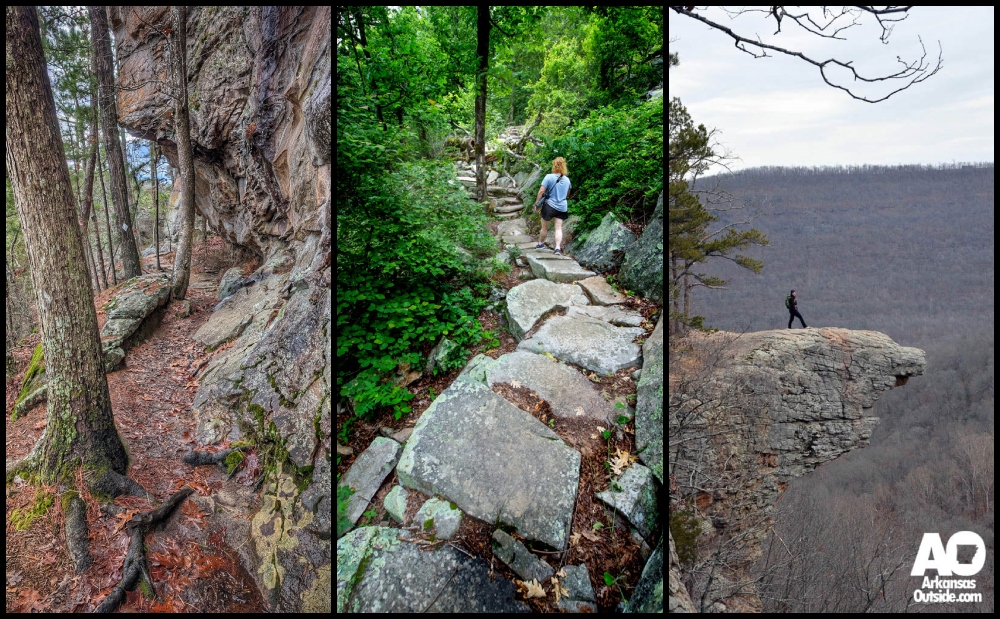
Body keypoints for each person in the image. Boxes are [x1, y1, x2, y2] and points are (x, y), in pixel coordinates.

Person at [533, 157, 572, 255]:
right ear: (564, 166)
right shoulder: (567, 180)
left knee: (544, 227)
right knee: (558, 228)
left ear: (554, 165)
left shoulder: (548, 177)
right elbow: (568, 193)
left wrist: (537, 204)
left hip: (549, 206)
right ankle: (557, 248)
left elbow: (541, 191)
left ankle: (540, 243)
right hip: (562, 206)